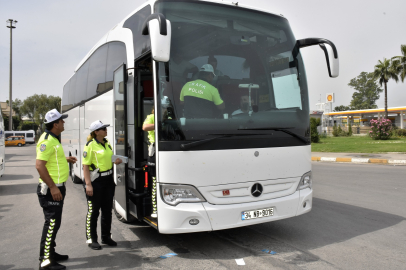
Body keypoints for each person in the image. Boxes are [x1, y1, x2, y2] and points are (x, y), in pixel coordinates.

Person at [36, 109, 77, 270]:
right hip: (51, 190)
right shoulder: (47, 140)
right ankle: (45, 261)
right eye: (62, 120)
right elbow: (39, 165)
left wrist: (65, 159)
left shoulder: (54, 138)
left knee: (55, 223)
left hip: (58, 188)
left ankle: (50, 253)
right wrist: (53, 187)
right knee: (51, 223)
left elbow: (51, 159)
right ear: (55, 124)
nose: (64, 122)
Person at [82, 120, 122, 250]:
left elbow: (109, 158)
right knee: (93, 212)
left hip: (108, 180)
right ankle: (91, 239)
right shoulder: (90, 145)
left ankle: (106, 237)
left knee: (107, 211)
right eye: (103, 128)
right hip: (96, 182)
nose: (106, 130)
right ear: (96, 132)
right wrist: (88, 185)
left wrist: (115, 161)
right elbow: (85, 166)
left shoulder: (107, 143)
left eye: (105, 128)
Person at [142, 107, 157, 218]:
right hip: (154, 150)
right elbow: (145, 127)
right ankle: (155, 209)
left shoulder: (170, 118)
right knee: (154, 180)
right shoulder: (152, 117)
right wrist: (159, 124)